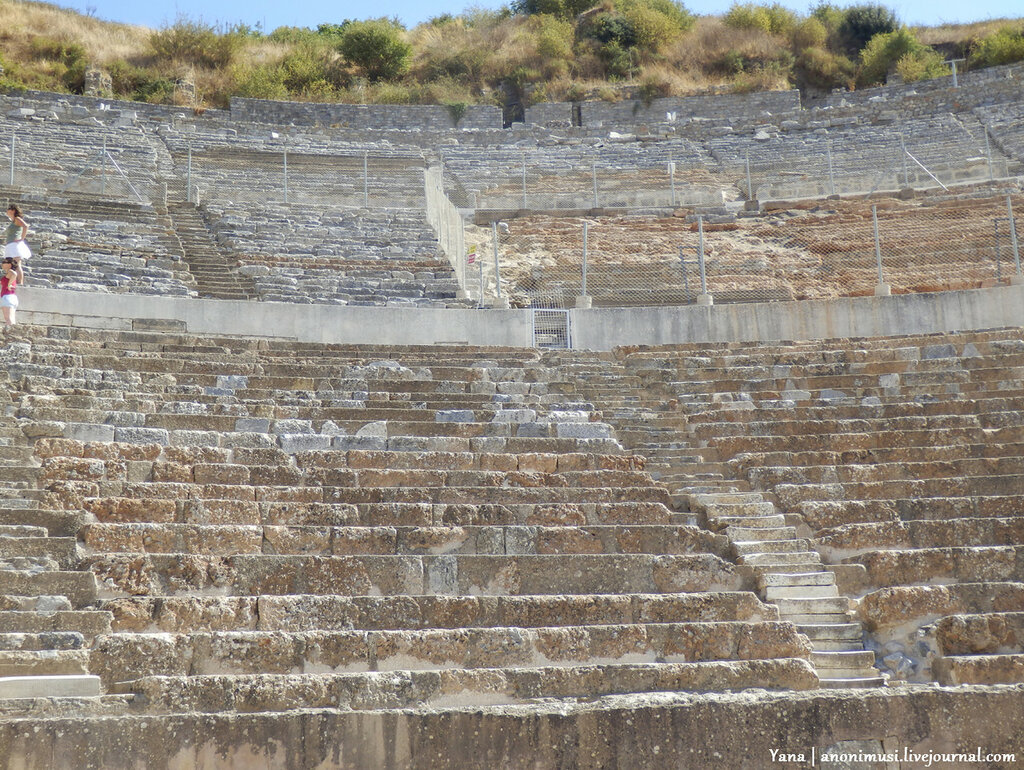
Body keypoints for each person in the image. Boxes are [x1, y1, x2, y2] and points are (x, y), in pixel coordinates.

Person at [1, 257, 22, 326]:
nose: (2, 263)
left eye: (4, 262)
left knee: (8, 319)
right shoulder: (7, 274)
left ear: (10, 264)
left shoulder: (10, 271)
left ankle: (10, 335)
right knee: (11, 319)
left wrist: (9, 284)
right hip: (11, 297)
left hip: (7, 297)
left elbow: (14, 274)